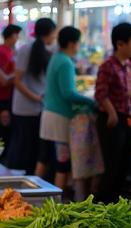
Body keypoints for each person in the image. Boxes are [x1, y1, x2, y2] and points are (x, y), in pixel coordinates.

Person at [41, 27, 100, 198]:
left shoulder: (56, 57)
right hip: (59, 117)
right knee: (62, 163)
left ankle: (36, 197)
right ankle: (56, 203)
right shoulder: (65, 61)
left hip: (48, 115)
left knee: (44, 159)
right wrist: (90, 102)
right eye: (78, 42)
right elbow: (68, 93)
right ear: (72, 43)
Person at [94, 21, 131, 202]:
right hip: (111, 120)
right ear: (120, 44)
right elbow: (100, 93)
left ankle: (115, 206)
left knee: (124, 165)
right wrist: (111, 112)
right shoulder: (108, 65)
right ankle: (102, 206)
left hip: (129, 119)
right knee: (112, 166)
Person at [7, 17, 56, 176]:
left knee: (33, 146)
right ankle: (25, 180)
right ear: (48, 33)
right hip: (27, 106)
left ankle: (30, 178)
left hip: (36, 105)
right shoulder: (26, 49)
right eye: (53, 33)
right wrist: (34, 97)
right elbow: (17, 80)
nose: (54, 36)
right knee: (28, 146)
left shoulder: (48, 50)